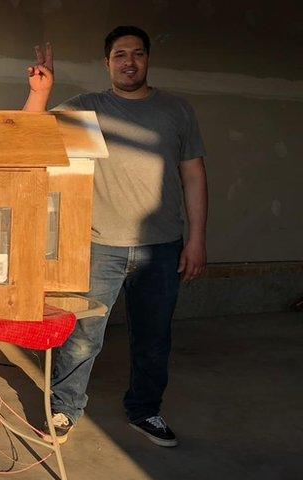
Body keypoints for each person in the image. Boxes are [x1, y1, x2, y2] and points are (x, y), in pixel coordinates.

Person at [23, 26, 208, 447]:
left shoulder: (176, 111)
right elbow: (27, 135)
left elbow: (194, 177)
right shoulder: (87, 108)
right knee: (83, 335)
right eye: (120, 55)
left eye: (137, 54)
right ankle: (64, 411)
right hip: (98, 245)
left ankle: (145, 411)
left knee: (154, 336)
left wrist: (196, 239)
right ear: (107, 63)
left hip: (161, 247)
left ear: (147, 60)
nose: (129, 62)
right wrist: (41, 92)